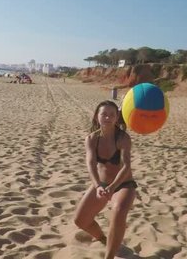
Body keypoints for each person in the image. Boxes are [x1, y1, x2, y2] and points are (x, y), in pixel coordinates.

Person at [74, 101, 137, 259]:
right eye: (104, 114)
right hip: (101, 185)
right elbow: (90, 164)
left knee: (118, 211)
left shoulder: (123, 138)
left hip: (123, 185)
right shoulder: (91, 139)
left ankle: (109, 256)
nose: (108, 117)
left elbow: (126, 166)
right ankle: (103, 238)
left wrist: (113, 186)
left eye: (112, 114)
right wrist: (98, 186)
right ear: (97, 116)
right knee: (81, 221)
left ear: (117, 118)